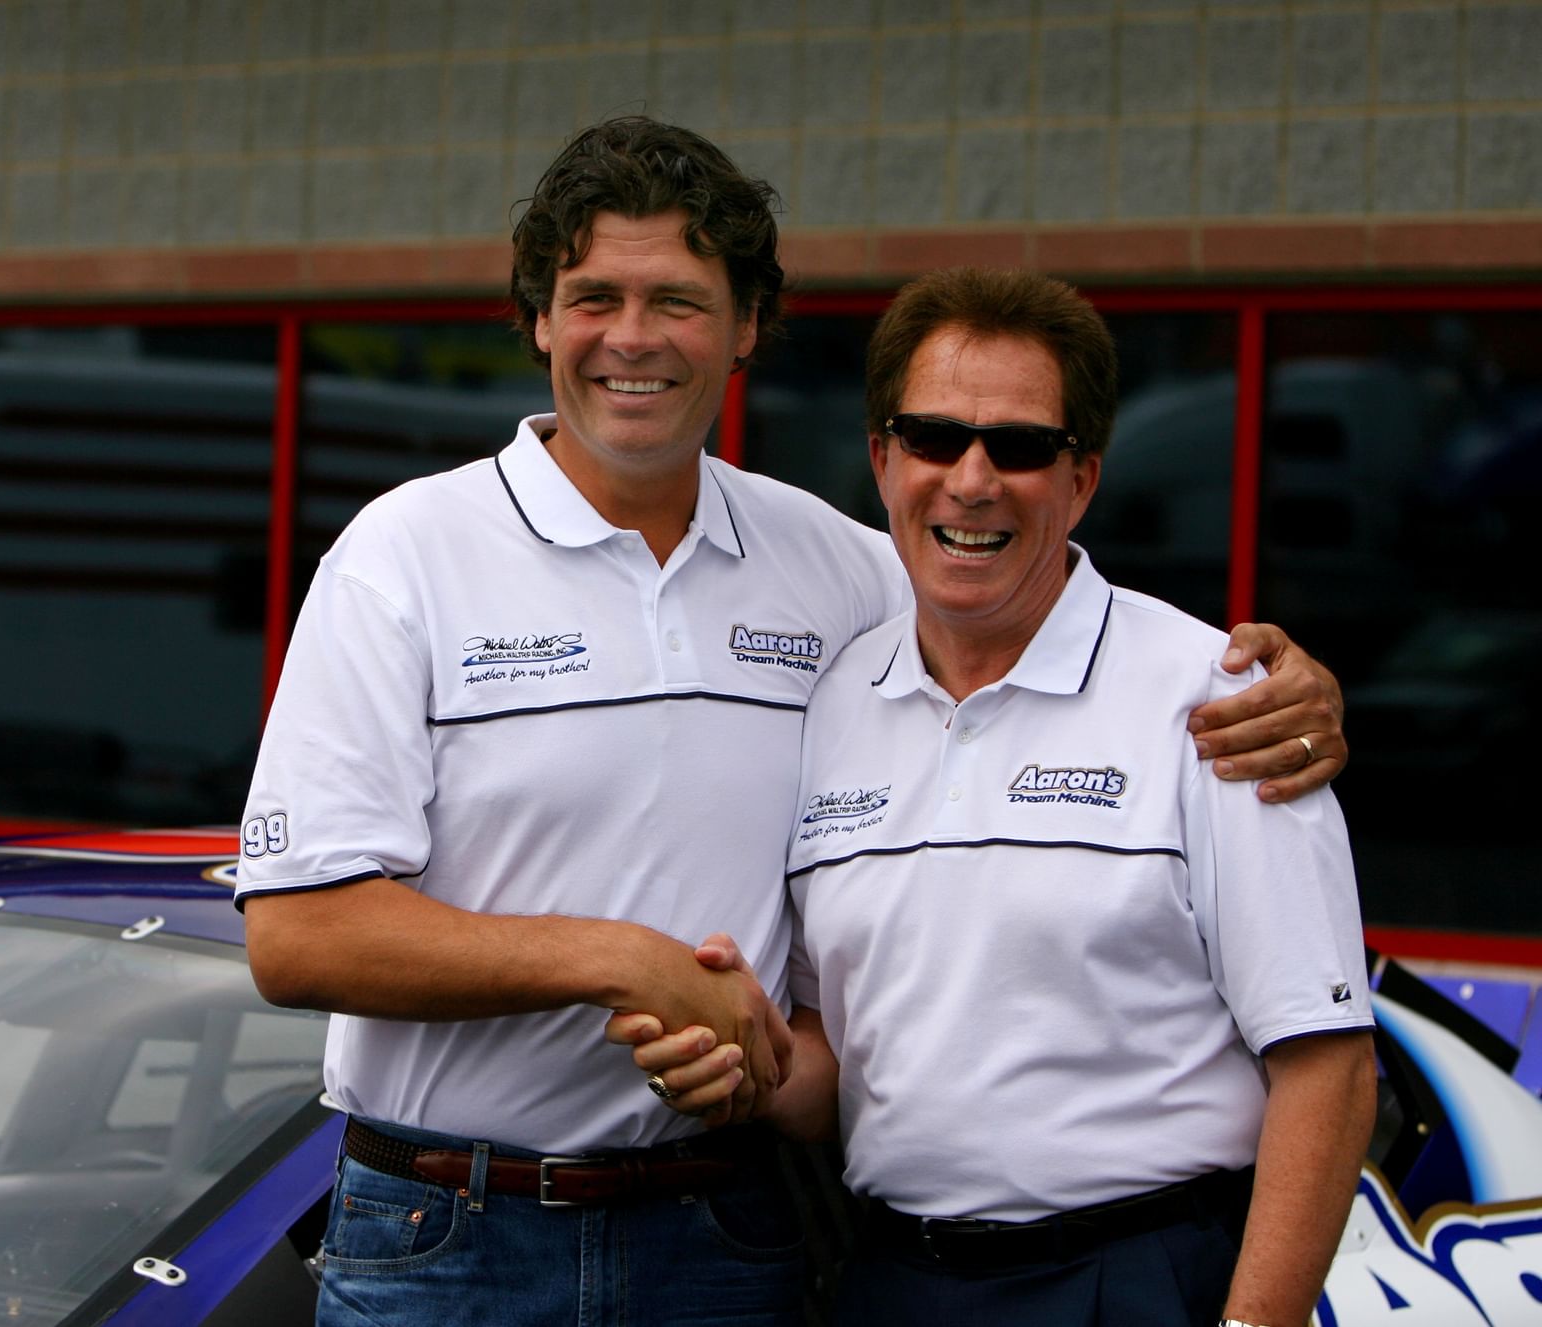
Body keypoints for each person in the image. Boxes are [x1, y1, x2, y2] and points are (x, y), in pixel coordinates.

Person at [237, 118, 1347, 1327]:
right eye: (594, 294)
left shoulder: (836, 567)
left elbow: (1012, 579)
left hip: (729, 1229)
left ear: (747, 327)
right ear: (540, 317)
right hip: (453, 1232)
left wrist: (1279, 684)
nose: (633, 337)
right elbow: (297, 939)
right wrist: (620, 958)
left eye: (679, 299)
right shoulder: (402, 559)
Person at [622, 268, 1375, 1327]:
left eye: (1020, 447)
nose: (972, 481)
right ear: (883, 459)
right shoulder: (831, 706)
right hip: (896, 1280)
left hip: (1144, 1275)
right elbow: (835, 1061)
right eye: (933, 437)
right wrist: (735, 1064)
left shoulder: (1217, 701)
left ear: (1083, 480)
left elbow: (1326, 1064)